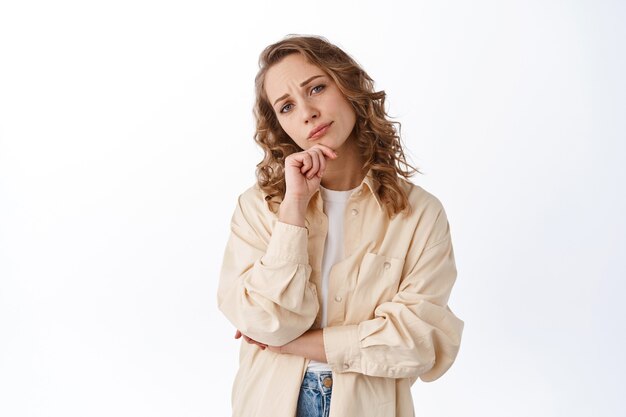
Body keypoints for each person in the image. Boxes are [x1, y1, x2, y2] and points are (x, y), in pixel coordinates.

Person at [217, 35, 464, 417]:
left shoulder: (420, 215)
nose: (307, 112)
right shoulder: (260, 208)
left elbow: (417, 341)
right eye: (286, 107)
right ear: (280, 126)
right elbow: (267, 318)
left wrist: (289, 344)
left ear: (348, 86)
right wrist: (294, 209)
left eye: (316, 87)